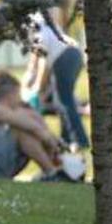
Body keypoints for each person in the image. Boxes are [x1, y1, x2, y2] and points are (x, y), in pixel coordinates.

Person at [0, 72, 72, 181]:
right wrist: (51, 140)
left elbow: (31, 119)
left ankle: (52, 169)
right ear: (11, 95)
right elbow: (30, 126)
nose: (20, 99)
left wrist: (52, 139)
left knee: (28, 119)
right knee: (20, 131)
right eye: (18, 95)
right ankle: (52, 173)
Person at [28, 13, 90, 151]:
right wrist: (31, 75)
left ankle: (79, 140)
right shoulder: (48, 30)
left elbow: (44, 63)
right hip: (74, 55)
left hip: (65, 58)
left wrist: (37, 86)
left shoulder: (41, 34)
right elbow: (35, 59)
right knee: (60, 100)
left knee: (64, 101)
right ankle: (66, 139)